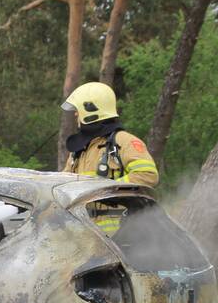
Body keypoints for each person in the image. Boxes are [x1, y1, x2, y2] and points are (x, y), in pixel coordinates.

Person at [60, 82, 158, 233]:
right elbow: (62, 185)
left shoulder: (124, 141)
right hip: (84, 231)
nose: (75, 114)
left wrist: (107, 191)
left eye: (78, 110)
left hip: (120, 235)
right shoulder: (78, 151)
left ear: (90, 109)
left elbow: (147, 175)